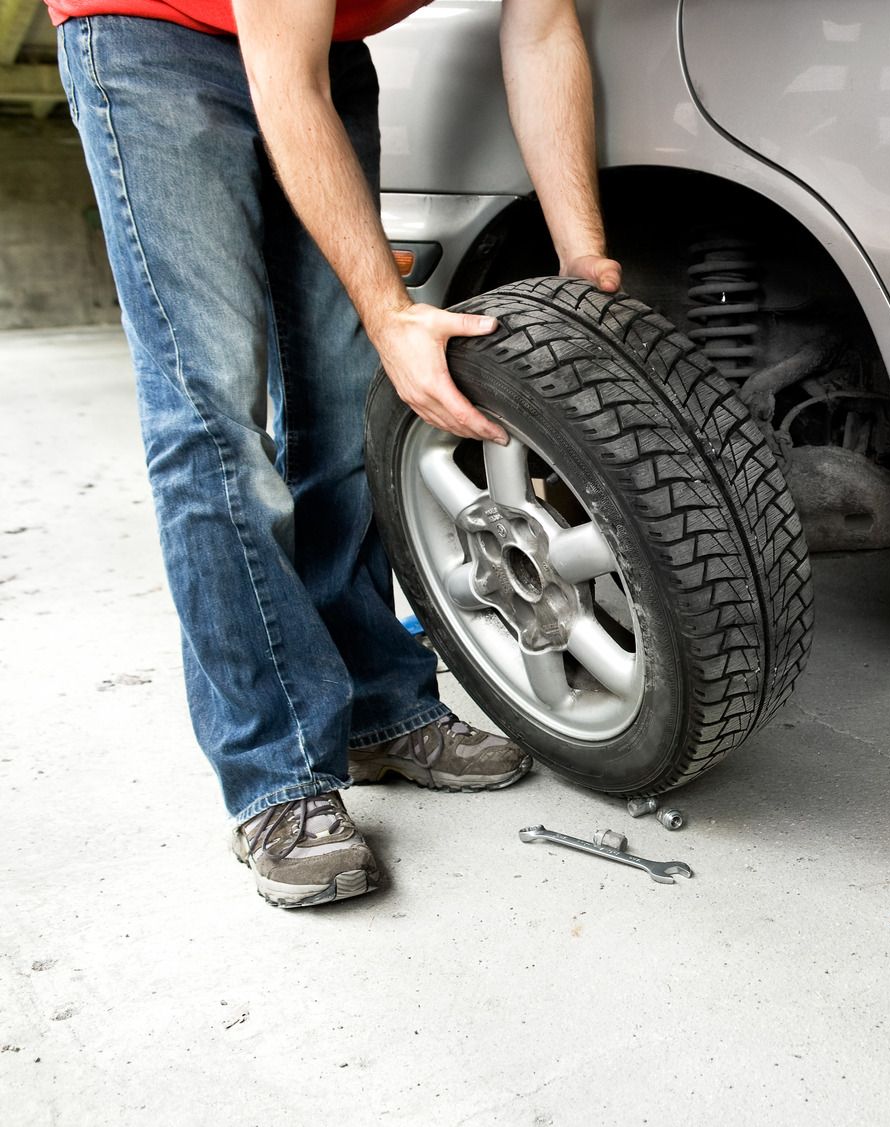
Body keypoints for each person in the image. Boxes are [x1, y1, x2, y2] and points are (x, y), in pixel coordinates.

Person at [46, 0, 622, 907]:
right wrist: (391, 313)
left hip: (324, 51)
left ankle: (376, 706)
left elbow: (542, 28)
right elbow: (286, 82)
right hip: (147, 41)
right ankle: (275, 775)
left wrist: (582, 251)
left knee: (347, 402)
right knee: (214, 420)